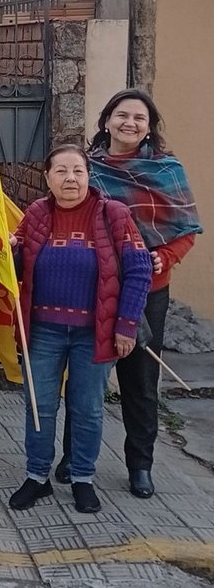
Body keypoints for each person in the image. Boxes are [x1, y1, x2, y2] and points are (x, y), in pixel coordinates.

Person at [54, 89, 202, 499]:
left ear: (149, 126)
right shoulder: (87, 168)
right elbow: (62, 213)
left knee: (139, 380)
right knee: (84, 378)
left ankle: (140, 464)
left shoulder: (167, 170)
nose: (130, 124)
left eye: (139, 118)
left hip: (148, 290)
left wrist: (165, 257)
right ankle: (73, 457)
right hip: (92, 287)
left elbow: (186, 230)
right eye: (122, 116)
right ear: (106, 121)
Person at [8, 144, 152, 514]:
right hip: (43, 330)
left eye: (78, 171)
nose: (70, 178)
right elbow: (19, 268)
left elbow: (139, 271)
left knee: (87, 408)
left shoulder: (114, 215)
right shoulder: (36, 214)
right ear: (48, 178)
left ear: (89, 176)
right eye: (61, 172)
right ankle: (36, 475)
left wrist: (126, 325)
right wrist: (10, 250)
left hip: (95, 331)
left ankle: (83, 478)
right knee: (39, 406)